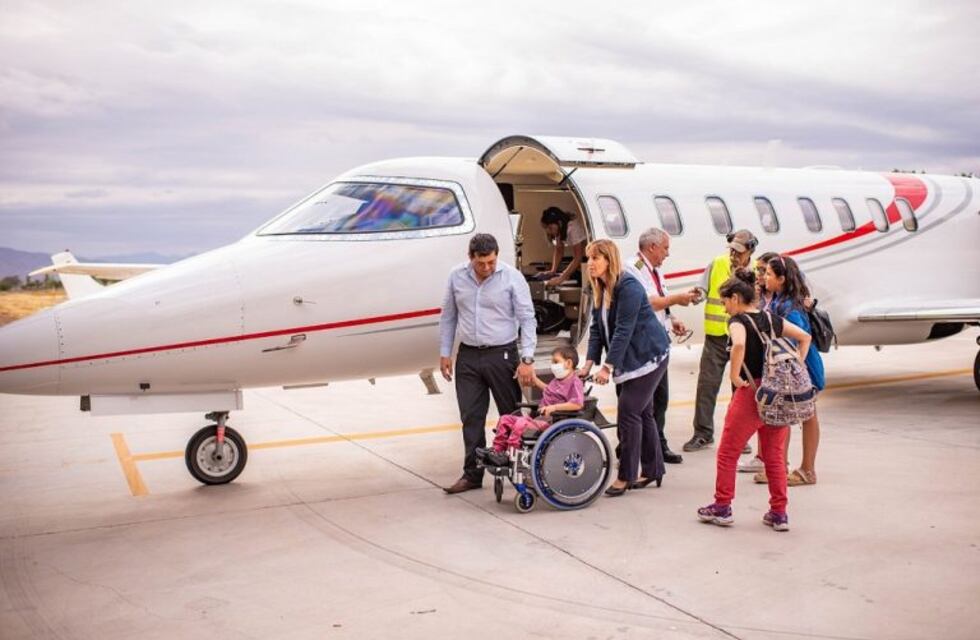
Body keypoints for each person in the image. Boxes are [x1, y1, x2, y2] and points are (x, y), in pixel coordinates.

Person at [697, 269, 812, 532]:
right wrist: (797, 366)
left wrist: (736, 375)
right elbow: (805, 337)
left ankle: (722, 506)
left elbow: (738, 345)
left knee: (728, 452)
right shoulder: (772, 319)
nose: (725, 308)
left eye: (725, 301)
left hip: (753, 392)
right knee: (774, 455)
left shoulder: (737, 321)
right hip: (778, 392)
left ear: (736, 298)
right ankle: (779, 512)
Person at [439, 234, 537, 494]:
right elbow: (448, 316)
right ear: (470, 257)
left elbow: (527, 319)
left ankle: (521, 471)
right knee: (471, 416)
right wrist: (445, 352)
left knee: (512, 416)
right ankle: (472, 474)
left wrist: (527, 358)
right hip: (469, 356)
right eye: (481, 263)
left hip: (502, 354)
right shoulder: (456, 276)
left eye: (491, 262)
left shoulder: (511, 277)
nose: (487, 268)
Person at [578, 239, 671, 497]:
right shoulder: (599, 287)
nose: (590, 264)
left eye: (596, 258)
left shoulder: (627, 286)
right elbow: (597, 328)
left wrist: (607, 367)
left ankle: (626, 475)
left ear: (609, 260)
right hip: (630, 359)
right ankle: (653, 469)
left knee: (629, 411)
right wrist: (588, 363)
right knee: (643, 413)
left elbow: (623, 330)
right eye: (589, 259)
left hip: (648, 356)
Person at [625, 228, 699, 464]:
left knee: (659, 399)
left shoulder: (654, 270)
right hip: (643, 347)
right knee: (642, 403)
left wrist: (672, 318)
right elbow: (648, 302)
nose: (668, 254)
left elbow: (660, 301)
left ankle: (656, 444)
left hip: (658, 343)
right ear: (652, 247)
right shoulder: (634, 269)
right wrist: (678, 298)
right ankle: (636, 448)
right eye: (665, 248)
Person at [684, 229, 759, 452]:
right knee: (707, 385)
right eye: (732, 250)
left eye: (739, 251)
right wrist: (696, 295)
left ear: (751, 250)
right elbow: (703, 289)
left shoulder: (757, 271)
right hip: (717, 336)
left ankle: (739, 436)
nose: (734, 254)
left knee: (740, 389)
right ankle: (703, 434)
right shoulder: (717, 264)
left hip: (744, 337)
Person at [758, 255, 825, 487]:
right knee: (783, 415)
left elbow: (799, 342)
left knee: (807, 415)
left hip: (803, 369)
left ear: (782, 279)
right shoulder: (777, 300)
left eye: (768, 274)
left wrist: (795, 373)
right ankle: (779, 467)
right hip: (788, 367)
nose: (764, 277)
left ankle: (808, 470)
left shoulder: (789, 308)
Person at [476, 346, 584, 466]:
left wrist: (554, 408)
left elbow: (577, 403)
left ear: (568, 363)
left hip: (554, 423)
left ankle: (510, 455)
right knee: (505, 419)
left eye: (555, 361)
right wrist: (534, 379)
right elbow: (548, 390)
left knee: (520, 423)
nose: (553, 365)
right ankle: (497, 451)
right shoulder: (558, 380)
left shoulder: (575, 382)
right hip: (540, 420)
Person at [737, 250, 781, 474]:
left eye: (765, 271)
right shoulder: (764, 298)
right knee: (767, 417)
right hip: (766, 369)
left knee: (777, 419)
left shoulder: (780, 303)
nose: (761, 276)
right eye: (759, 271)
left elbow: (800, 336)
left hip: (775, 370)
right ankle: (765, 459)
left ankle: (776, 462)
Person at [540, 207, 587, 287]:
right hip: (580, 262)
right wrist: (553, 271)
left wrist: (562, 278)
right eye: (547, 228)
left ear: (559, 223)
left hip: (586, 261)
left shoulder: (573, 228)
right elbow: (559, 250)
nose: (548, 231)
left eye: (550, 228)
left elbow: (578, 257)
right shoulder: (560, 229)